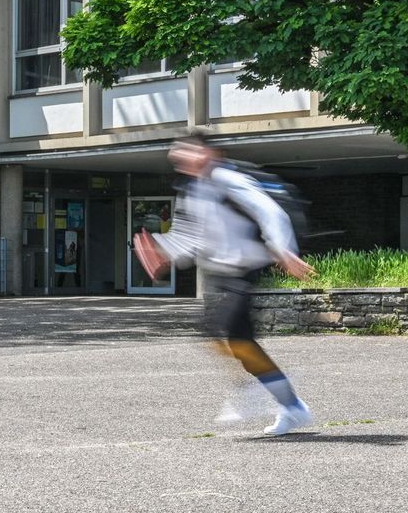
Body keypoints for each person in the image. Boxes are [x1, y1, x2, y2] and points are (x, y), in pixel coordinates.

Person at [134, 130, 317, 435]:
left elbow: (268, 210)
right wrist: (163, 252)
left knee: (235, 338)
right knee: (223, 338)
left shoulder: (226, 179)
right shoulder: (194, 191)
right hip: (219, 276)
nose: (178, 155)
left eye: (186, 149)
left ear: (208, 153)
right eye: (176, 152)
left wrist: (284, 249)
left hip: (242, 272)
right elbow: (191, 239)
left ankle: (265, 397)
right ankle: (290, 405)